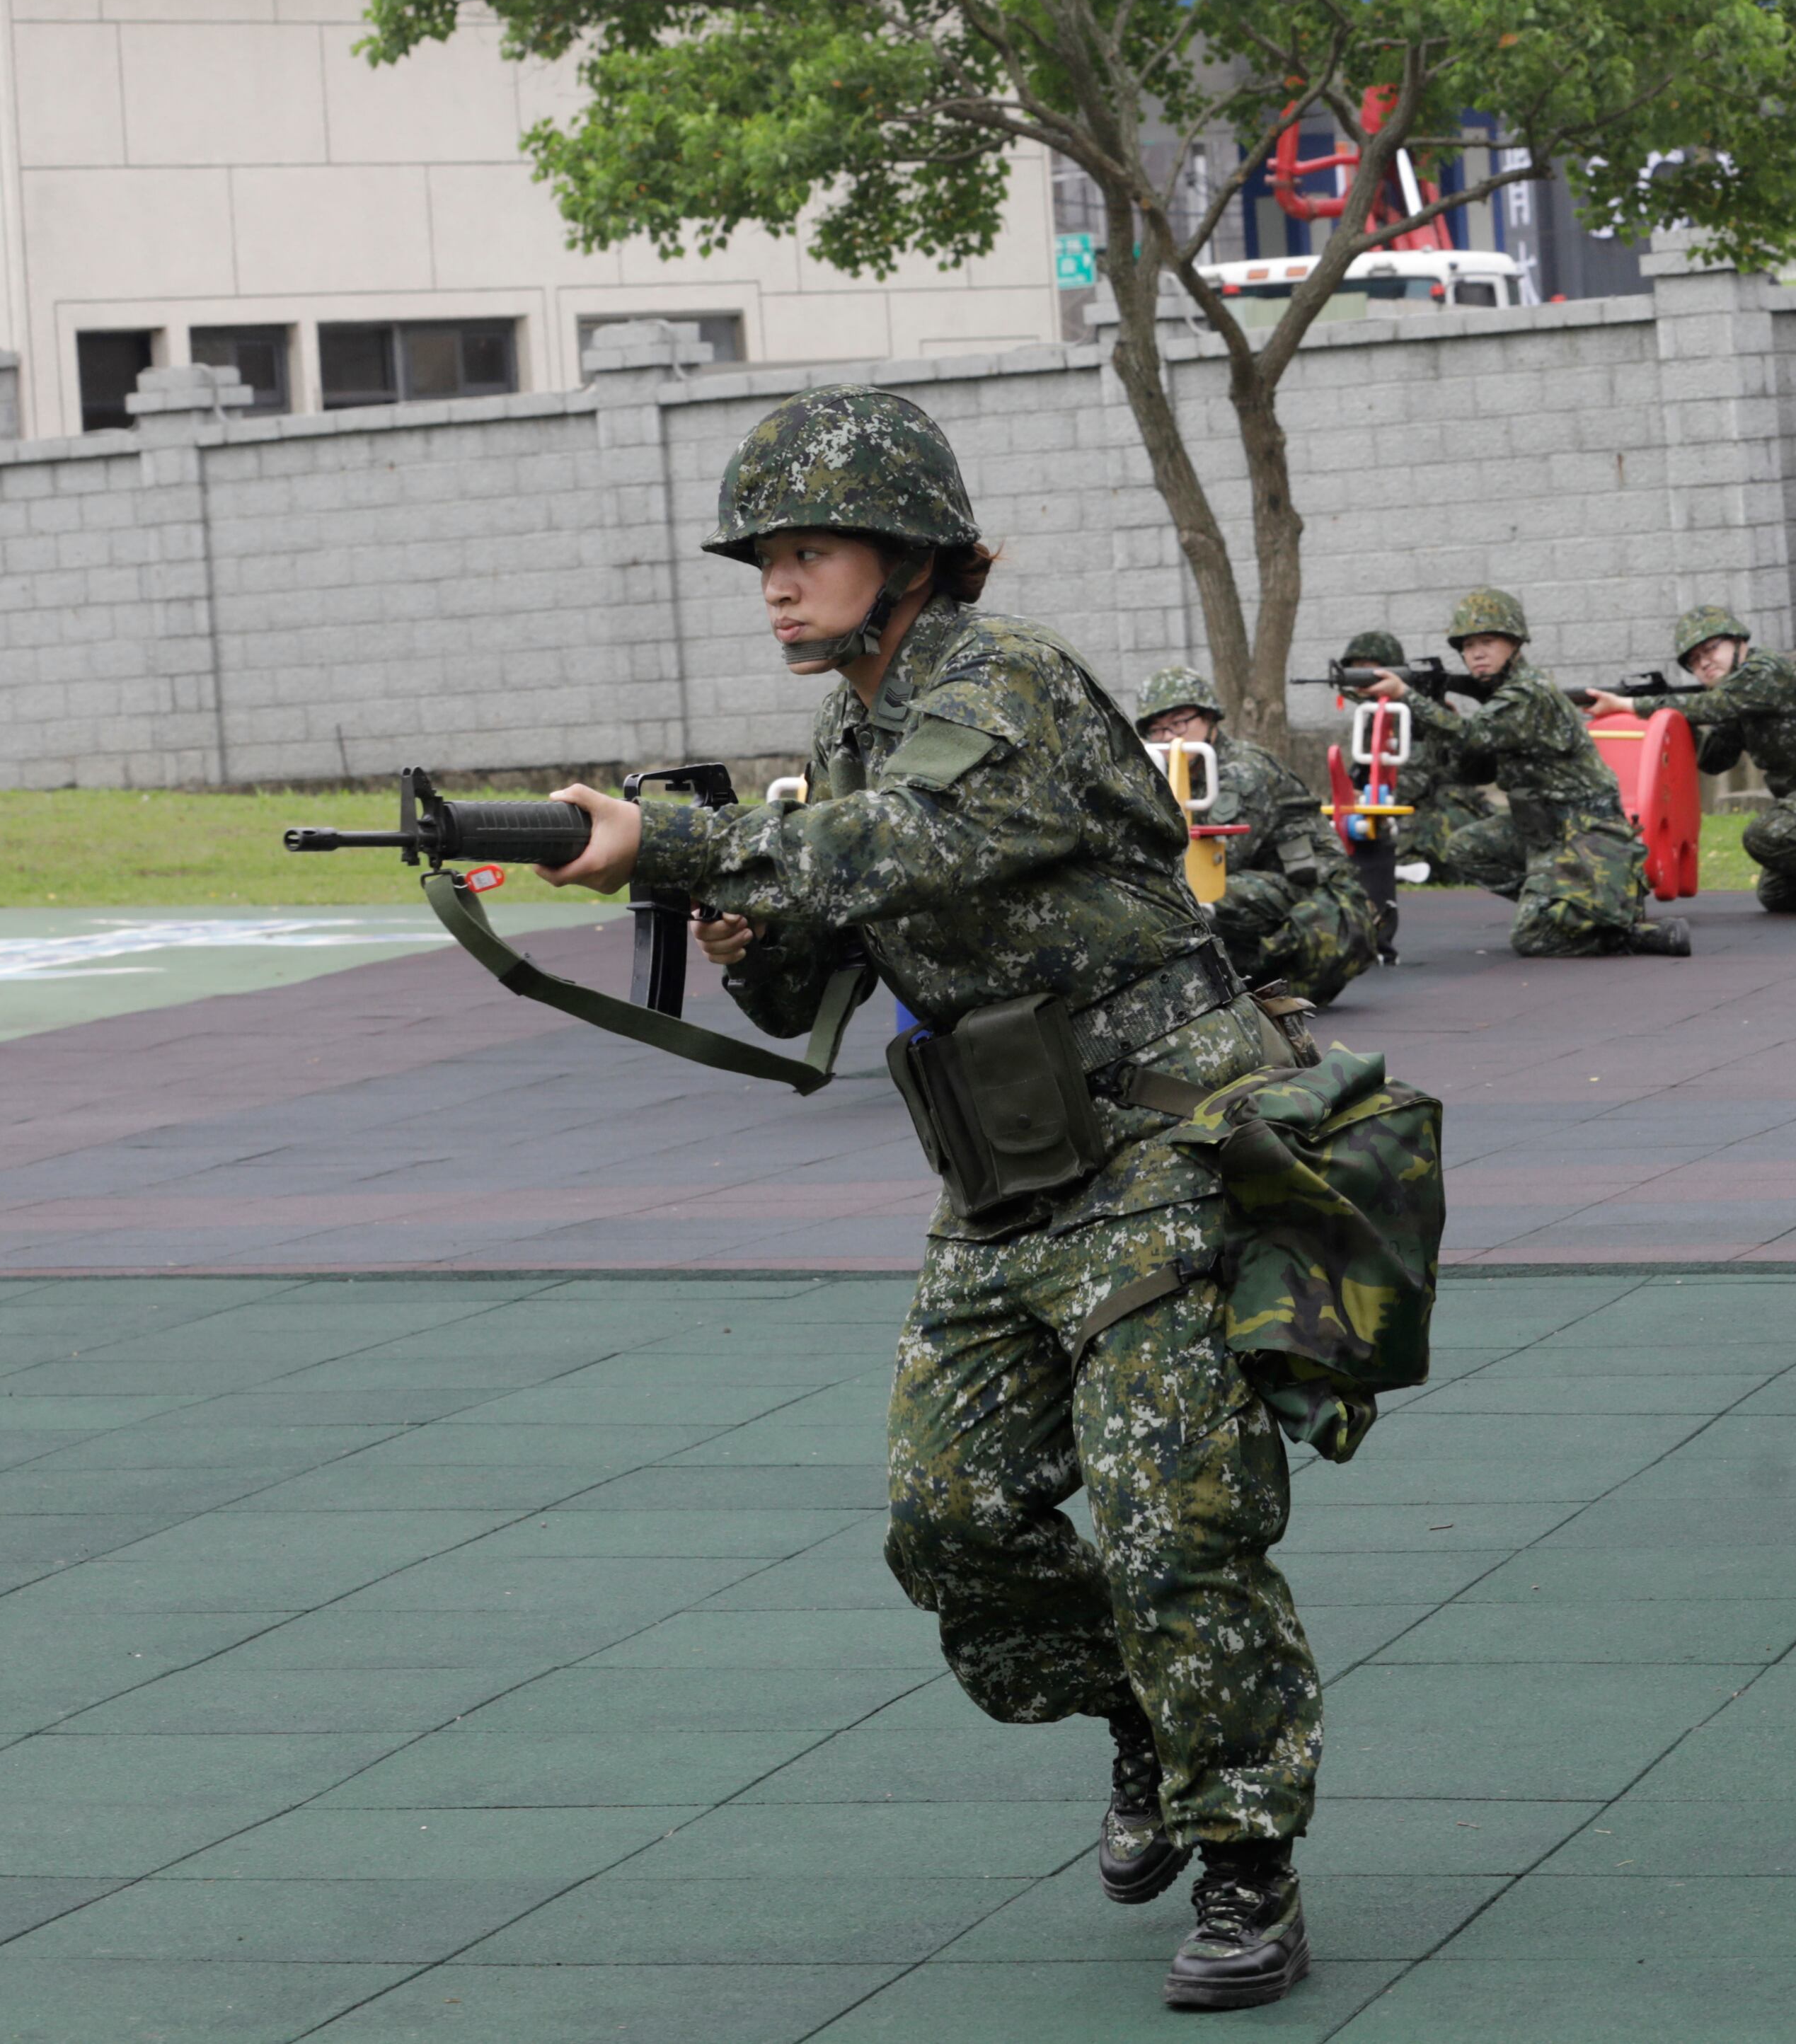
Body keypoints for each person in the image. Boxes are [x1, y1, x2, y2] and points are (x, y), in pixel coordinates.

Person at [534, 386, 1321, 2009]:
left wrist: (688, 846)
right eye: (761, 558)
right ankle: (1137, 1710)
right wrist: (750, 932)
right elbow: (815, 973)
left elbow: (925, 842)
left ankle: (1244, 1858)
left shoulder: (1003, 677)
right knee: (950, 1515)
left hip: (1159, 1147)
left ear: (910, 557)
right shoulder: (843, 736)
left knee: (1174, 1516)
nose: (774, 582)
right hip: (1003, 1180)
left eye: (807, 550)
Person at [1362, 589, 1691, 959]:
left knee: (1533, 939)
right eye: (1468, 646)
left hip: (1586, 834)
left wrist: (1409, 697)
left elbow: (1473, 735)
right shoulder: (1504, 698)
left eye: (1488, 641)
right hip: (1542, 833)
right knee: (1465, 848)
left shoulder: (1528, 693)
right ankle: (1573, 906)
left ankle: (1615, 925)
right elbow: (1471, 768)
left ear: (1515, 643)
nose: (1477, 653)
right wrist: (1436, 714)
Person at [1584, 606, 1796, 913]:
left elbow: (1714, 704)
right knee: (1777, 895)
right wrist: (1682, 719)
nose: (1704, 663)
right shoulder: (1736, 699)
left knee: (1765, 834)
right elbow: (1714, 760)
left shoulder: (1764, 672)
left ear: (1739, 642)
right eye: (1694, 661)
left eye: (1710, 649)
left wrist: (1627, 704)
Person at [1132, 664, 1383, 1005]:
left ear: (1209, 718)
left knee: (1207, 898)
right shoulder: (1177, 774)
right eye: (1157, 730)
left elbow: (1220, 860)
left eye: (1178, 723)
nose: (1168, 738)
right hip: (1273, 886)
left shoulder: (1243, 770)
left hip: (1317, 893)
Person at [1337, 625, 1522, 896]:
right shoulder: (1376, 714)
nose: (1360, 674)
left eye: (1367, 667)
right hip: (1406, 805)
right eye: (1355, 668)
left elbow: (1412, 781)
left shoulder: (1412, 711)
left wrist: (1369, 799)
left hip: (1437, 808)